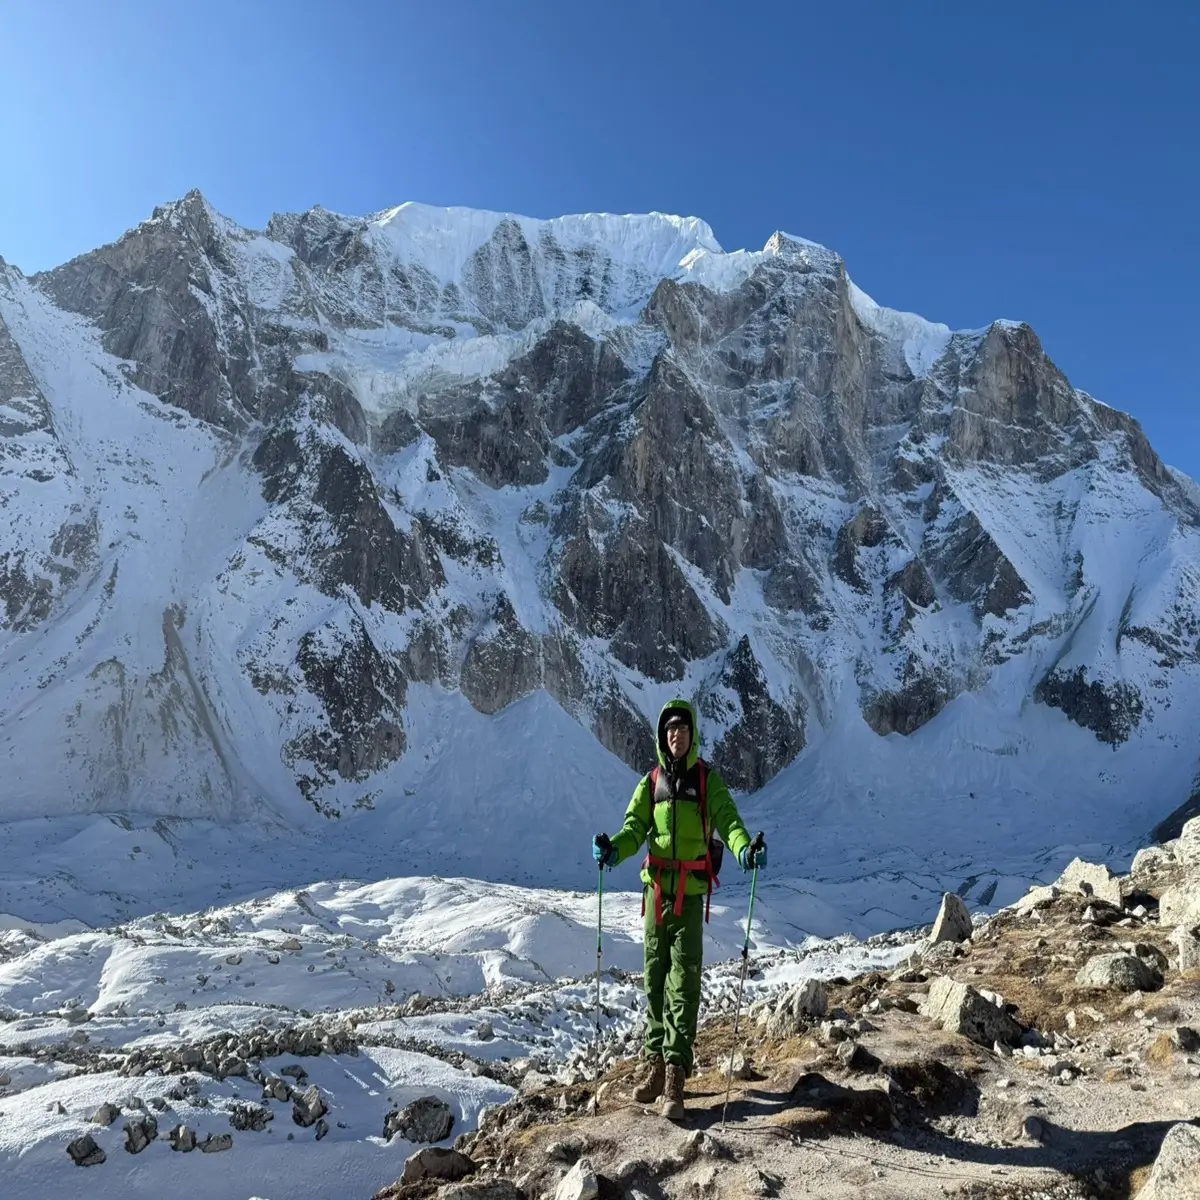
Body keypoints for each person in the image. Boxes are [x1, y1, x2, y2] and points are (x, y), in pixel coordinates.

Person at [592, 698, 767, 1120]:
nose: (676, 734)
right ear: (662, 736)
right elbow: (635, 828)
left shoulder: (708, 782)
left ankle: (675, 1075)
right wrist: (614, 850)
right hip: (656, 896)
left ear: (692, 735)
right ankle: (653, 1067)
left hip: (689, 896)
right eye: (669, 729)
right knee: (654, 979)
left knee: (683, 983)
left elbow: (729, 821)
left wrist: (744, 850)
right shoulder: (650, 783)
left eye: (682, 728)